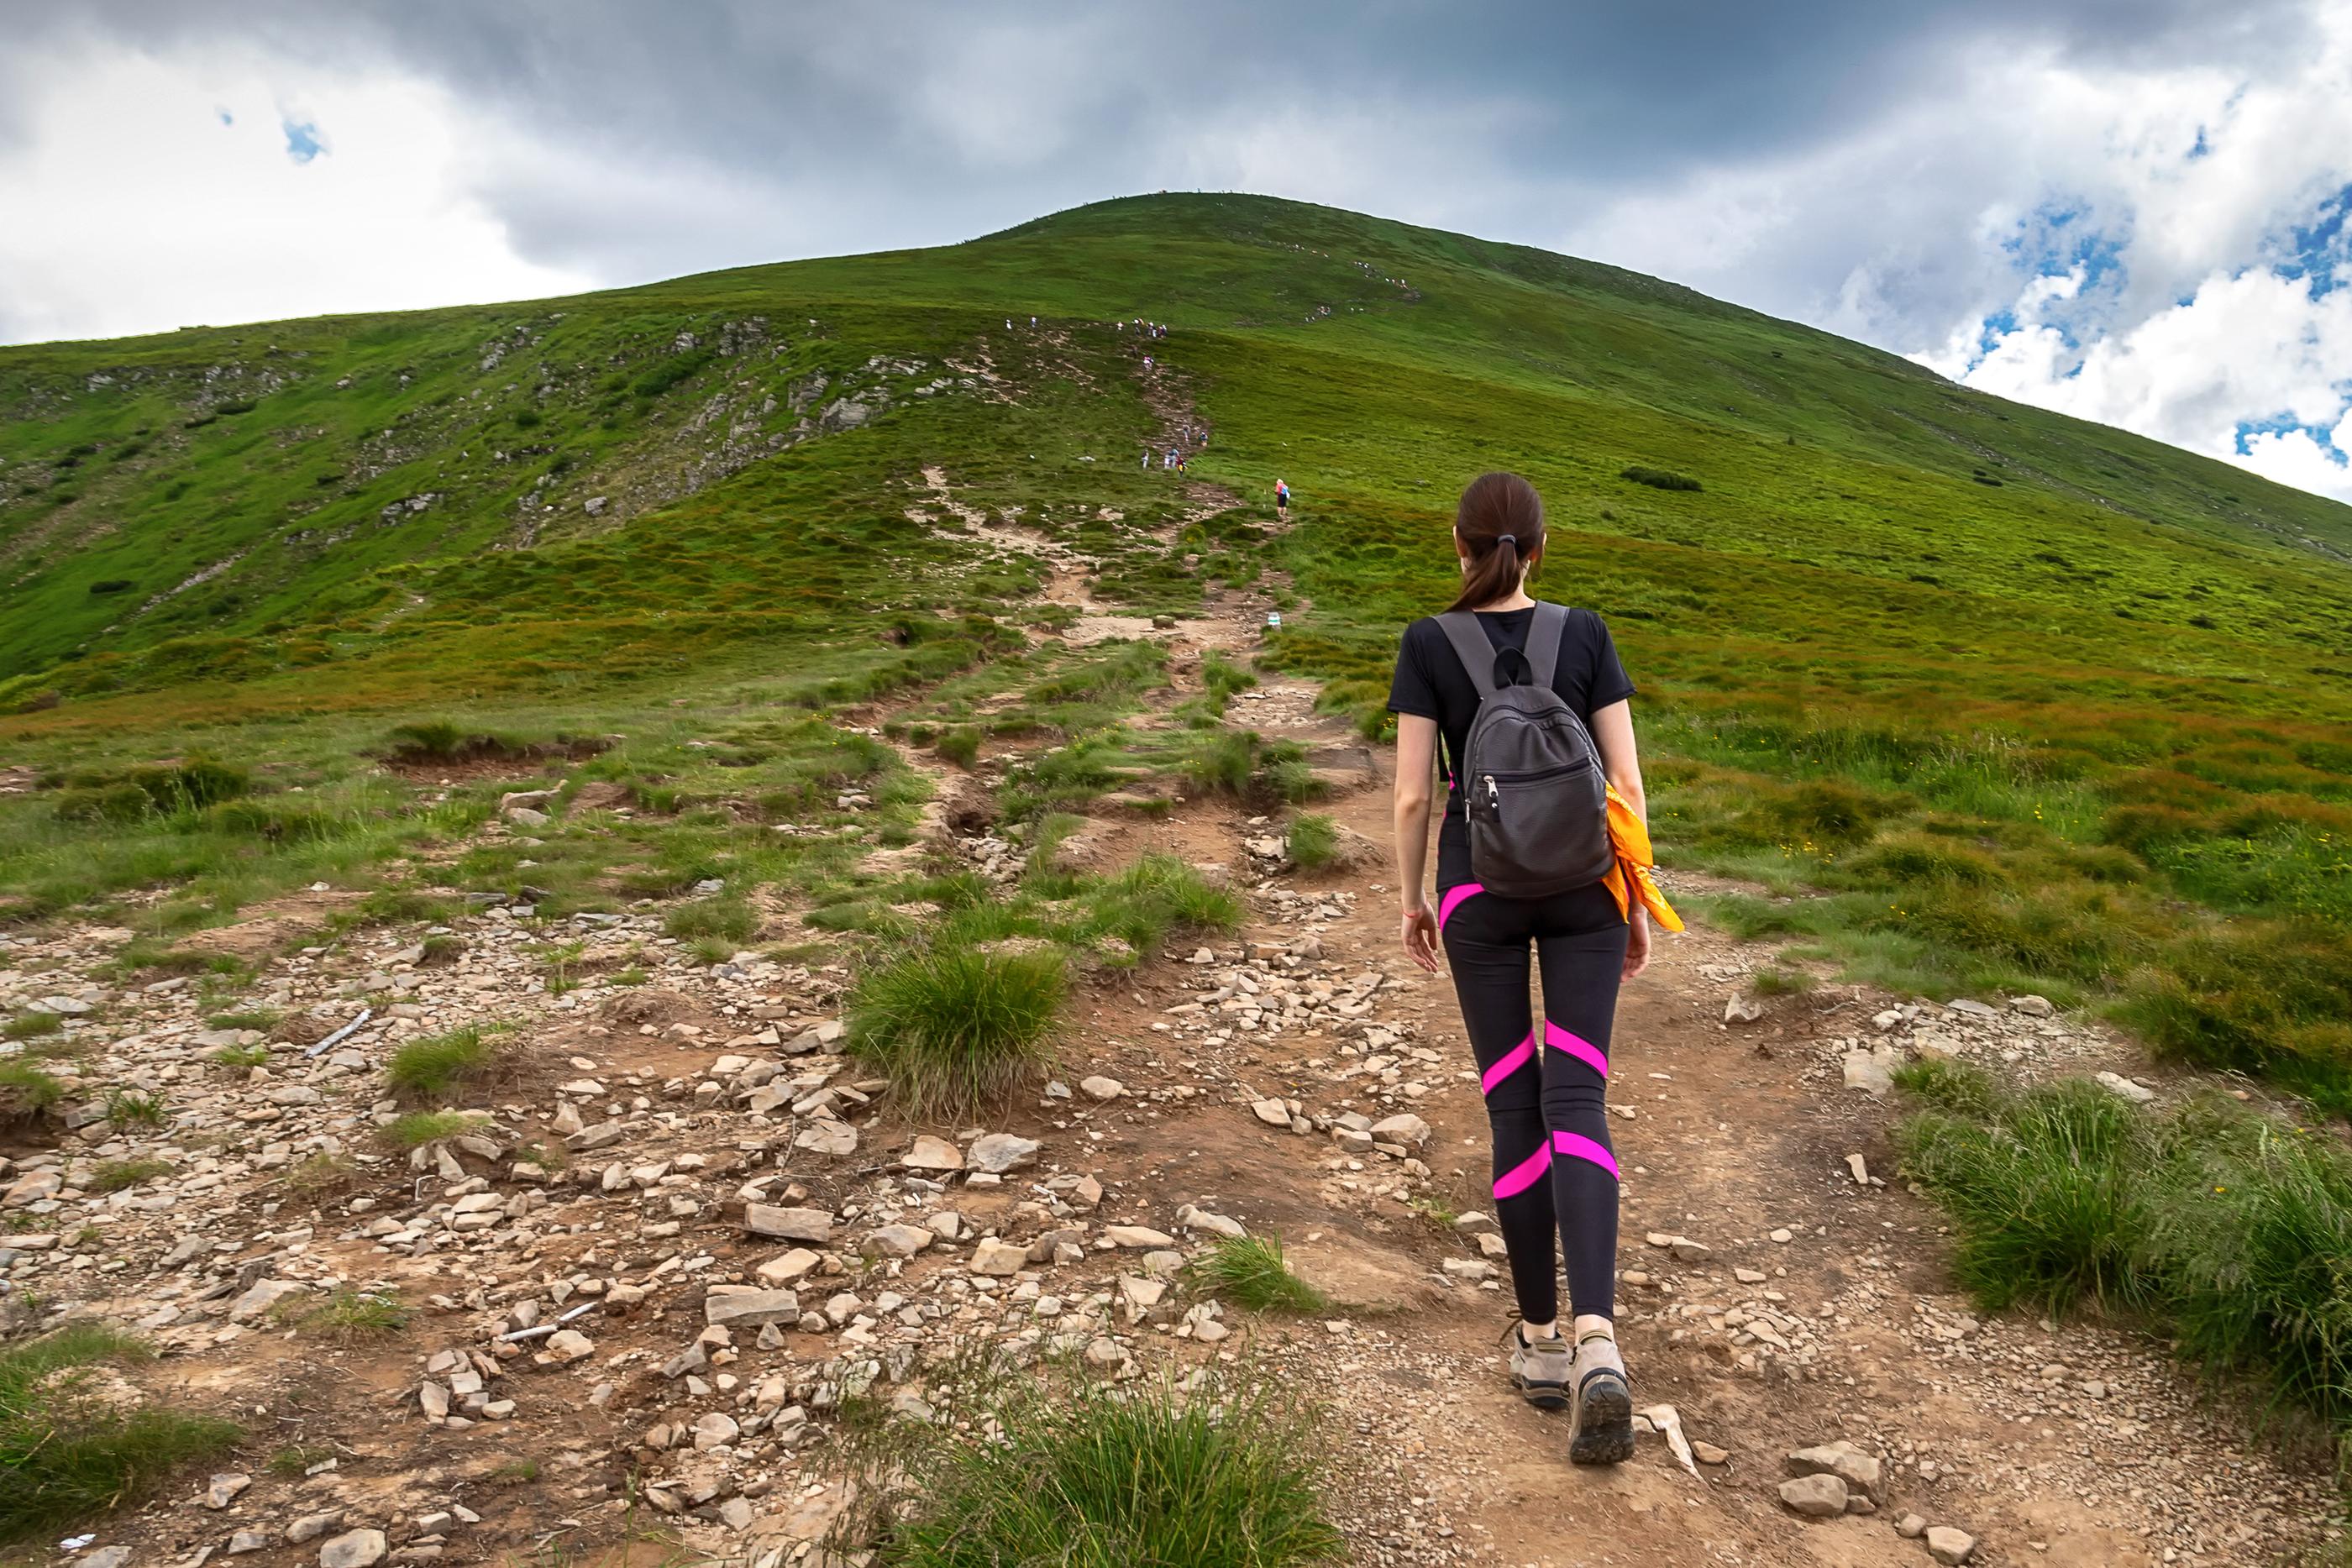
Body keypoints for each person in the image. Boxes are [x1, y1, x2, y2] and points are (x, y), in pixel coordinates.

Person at [1385, 471, 1677, 1468]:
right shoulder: (1585, 632)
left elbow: (1414, 799)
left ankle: (1543, 1345)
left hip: (1482, 895)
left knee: (1515, 1106)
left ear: (1457, 544)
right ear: (1540, 548)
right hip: (1588, 886)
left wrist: (1414, 896)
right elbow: (1627, 781)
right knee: (1578, 1099)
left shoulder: (1427, 643)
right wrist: (1634, 897)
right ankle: (1601, 1335)